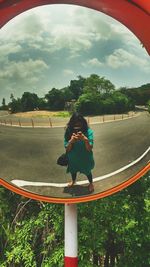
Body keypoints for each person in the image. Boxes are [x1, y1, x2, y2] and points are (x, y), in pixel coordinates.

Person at [64, 112, 95, 192]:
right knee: (73, 170)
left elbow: (89, 149)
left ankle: (91, 183)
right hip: (73, 158)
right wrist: (71, 141)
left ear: (83, 123)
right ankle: (73, 181)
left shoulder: (88, 132)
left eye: (79, 125)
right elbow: (67, 149)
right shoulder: (68, 132)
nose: (77, 128)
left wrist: (86, 140)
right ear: (71, 124)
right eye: (75, 125)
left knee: (87, 171)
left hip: (85, 158)